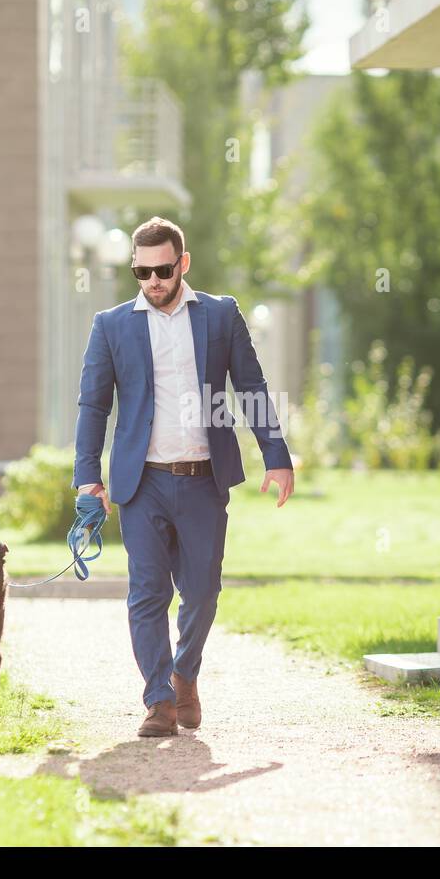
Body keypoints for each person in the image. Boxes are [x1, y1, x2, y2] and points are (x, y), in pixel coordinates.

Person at [72, 215, 294, 737]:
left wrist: (276, 455)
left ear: (183, 264)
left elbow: (252, 387)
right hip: (141, 482)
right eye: (141, 273)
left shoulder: (220, 316)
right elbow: (92, 405)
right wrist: (88, 478)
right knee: (147, 592)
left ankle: (185, 674)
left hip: (202, 479)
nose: (153, 282)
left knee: (202, 591)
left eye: (163, 270)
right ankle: (158, 699)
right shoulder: (111, 325)